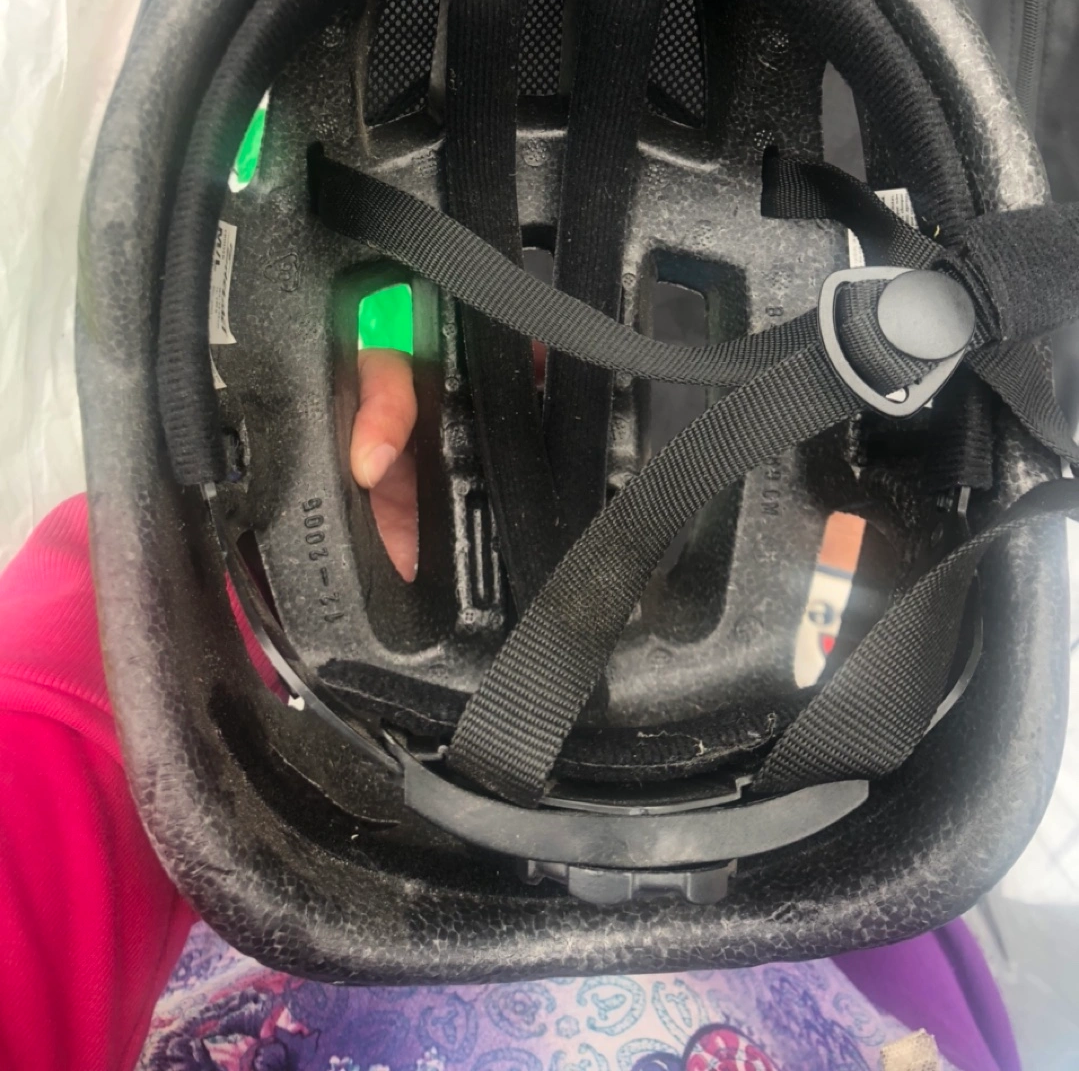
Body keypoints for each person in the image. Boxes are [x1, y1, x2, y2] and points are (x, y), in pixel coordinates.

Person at [0, 347, 1021, 1071]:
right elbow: (886, 874)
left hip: (336, 803)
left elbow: (51, 761)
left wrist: (269, 579)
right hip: (823, 878)